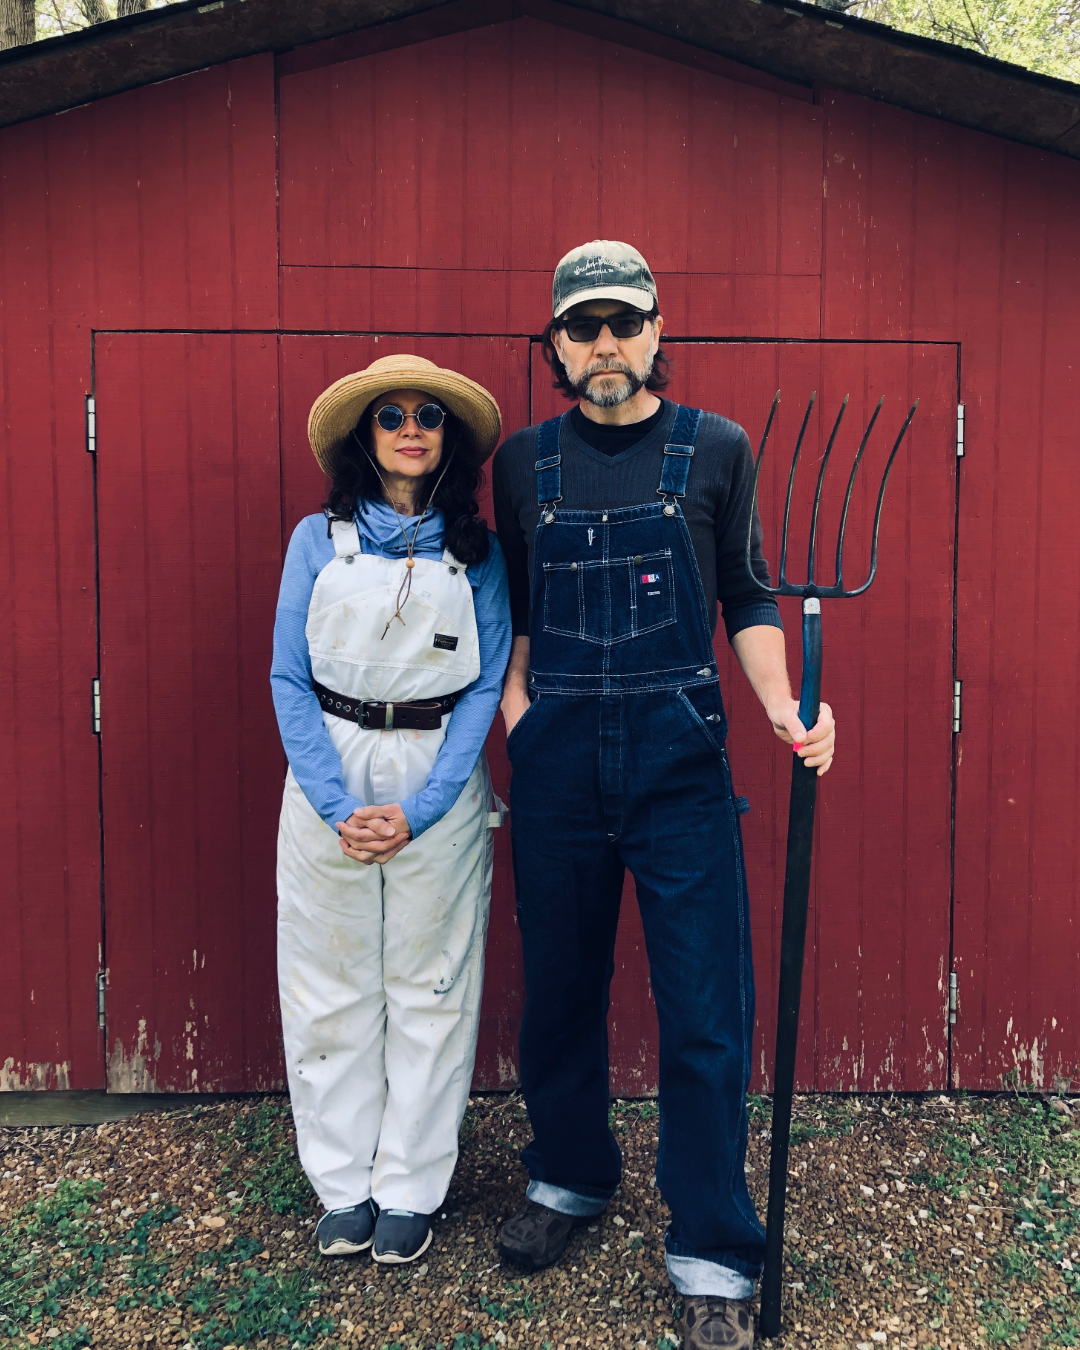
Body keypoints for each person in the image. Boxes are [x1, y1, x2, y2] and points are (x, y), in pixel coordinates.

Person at [491, 242, 836, 1347]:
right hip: (555, 765)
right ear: (554, 344)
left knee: (703, 1013)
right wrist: (518, 716)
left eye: (623, 324)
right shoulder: (521, 465)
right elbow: (522, 615)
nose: (604, 345)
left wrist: (787, 711)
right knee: (558, 992)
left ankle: (713, 1248)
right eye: (581, 327)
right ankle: (570, 1178)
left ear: (656, 333)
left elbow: (747, 595)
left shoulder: (715, 449)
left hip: (680, 764)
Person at [271, 354, 511, 1266]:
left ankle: (410, 1183)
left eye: (428, 416)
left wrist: (427, 803)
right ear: (364, 438)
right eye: (390, 414)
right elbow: (289, 675)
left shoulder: (474, 553)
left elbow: (487, 681)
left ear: (448, 440)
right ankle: (342, 1183)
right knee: (330, 978)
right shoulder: (315, 541)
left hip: (435, 773)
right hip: (327, 768)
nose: (411, 427)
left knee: (432, 982)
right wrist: (337, 803)